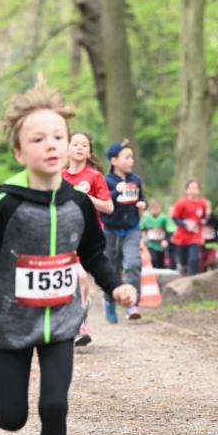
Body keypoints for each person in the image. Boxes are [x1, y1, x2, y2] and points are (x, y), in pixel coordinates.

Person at [0, 75, 135, 435]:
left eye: (58, 136)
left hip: (61, 321)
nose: (51, 145)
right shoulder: (5, 202)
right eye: (38, 139)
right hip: (12, 324)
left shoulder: (78, 202)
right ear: (20, 152)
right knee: (11, 420)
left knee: (55, 405)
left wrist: (114, 284)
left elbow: (94, 252)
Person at [62, 130, 114, 346]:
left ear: (90, 152)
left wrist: (85, 197)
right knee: (78, 278)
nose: (80, 147)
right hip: (64, 234)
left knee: (81, 280)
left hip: (89, 236)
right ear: (67, 148)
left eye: (84, 145)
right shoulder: (59, 176)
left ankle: (79, 324)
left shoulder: (94, 177)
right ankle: (74, 324)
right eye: (75, 144)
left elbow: (109, 207)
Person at [100, 140, 146, 322]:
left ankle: (132, 304)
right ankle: (109, 301)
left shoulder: (135, 180)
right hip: (110, 230)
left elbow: (141, 199)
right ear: (114, 160)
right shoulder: (105, 181)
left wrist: (143, 204)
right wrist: (114, 192)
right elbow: (102, 202)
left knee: (133, 264)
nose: (131, 161)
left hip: (132, 229)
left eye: (132, 157)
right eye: (127, 157)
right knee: (112, 268)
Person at [170, 180, 209, 277]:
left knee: (194, 259)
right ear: (187, 190)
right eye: (191, 188)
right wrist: (185, 224)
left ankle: (193, 280)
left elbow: (203, 217)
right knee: (183, 261)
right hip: (182, 237)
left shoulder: (202, 203)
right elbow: (175, 217)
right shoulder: (181, 203)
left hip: (195, 236)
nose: (193, 190)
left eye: (195, 188)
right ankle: (183, 274)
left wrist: (203, 221)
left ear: (199, 190)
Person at [140, 199, 172, 270]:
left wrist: (166, 240)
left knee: (161, 262)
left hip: (161, 244)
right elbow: (143, 229)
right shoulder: (147, 218)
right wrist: (144, 238)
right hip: (151, 244)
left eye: (156, 208)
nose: (155, 210)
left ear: (159, 208)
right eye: (153, 208)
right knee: (153, 259)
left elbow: (169, 230)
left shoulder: (164, 218)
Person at [201, 208, 218, 272]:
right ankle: (203, 273)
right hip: (201, 243)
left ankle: (212, 269)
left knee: (211, 259)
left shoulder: (215, 218)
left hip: (213, 242)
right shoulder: (199, 217)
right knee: (202, 259)